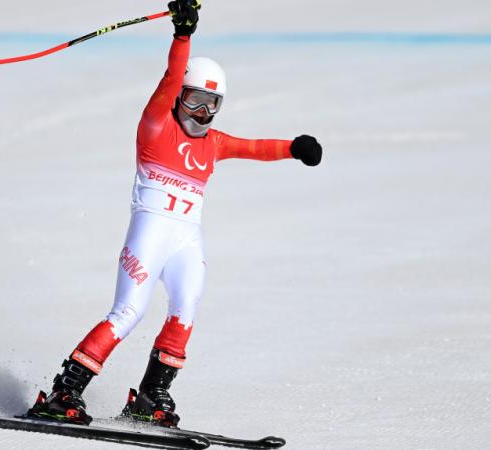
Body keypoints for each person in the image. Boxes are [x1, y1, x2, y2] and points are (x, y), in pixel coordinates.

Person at [27, 0, 322, 427]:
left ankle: (150, 397)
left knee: (186, 305)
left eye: (212, 104)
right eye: (195, 100)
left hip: (186, 238)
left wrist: (294, 149)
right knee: (128, 312)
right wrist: (182, 35)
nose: (202, 113)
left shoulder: (214, 143)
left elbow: (254, 148)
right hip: (148, 234)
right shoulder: (155, 126)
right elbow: (167, 80)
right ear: (181, 96)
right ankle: (63, 392)